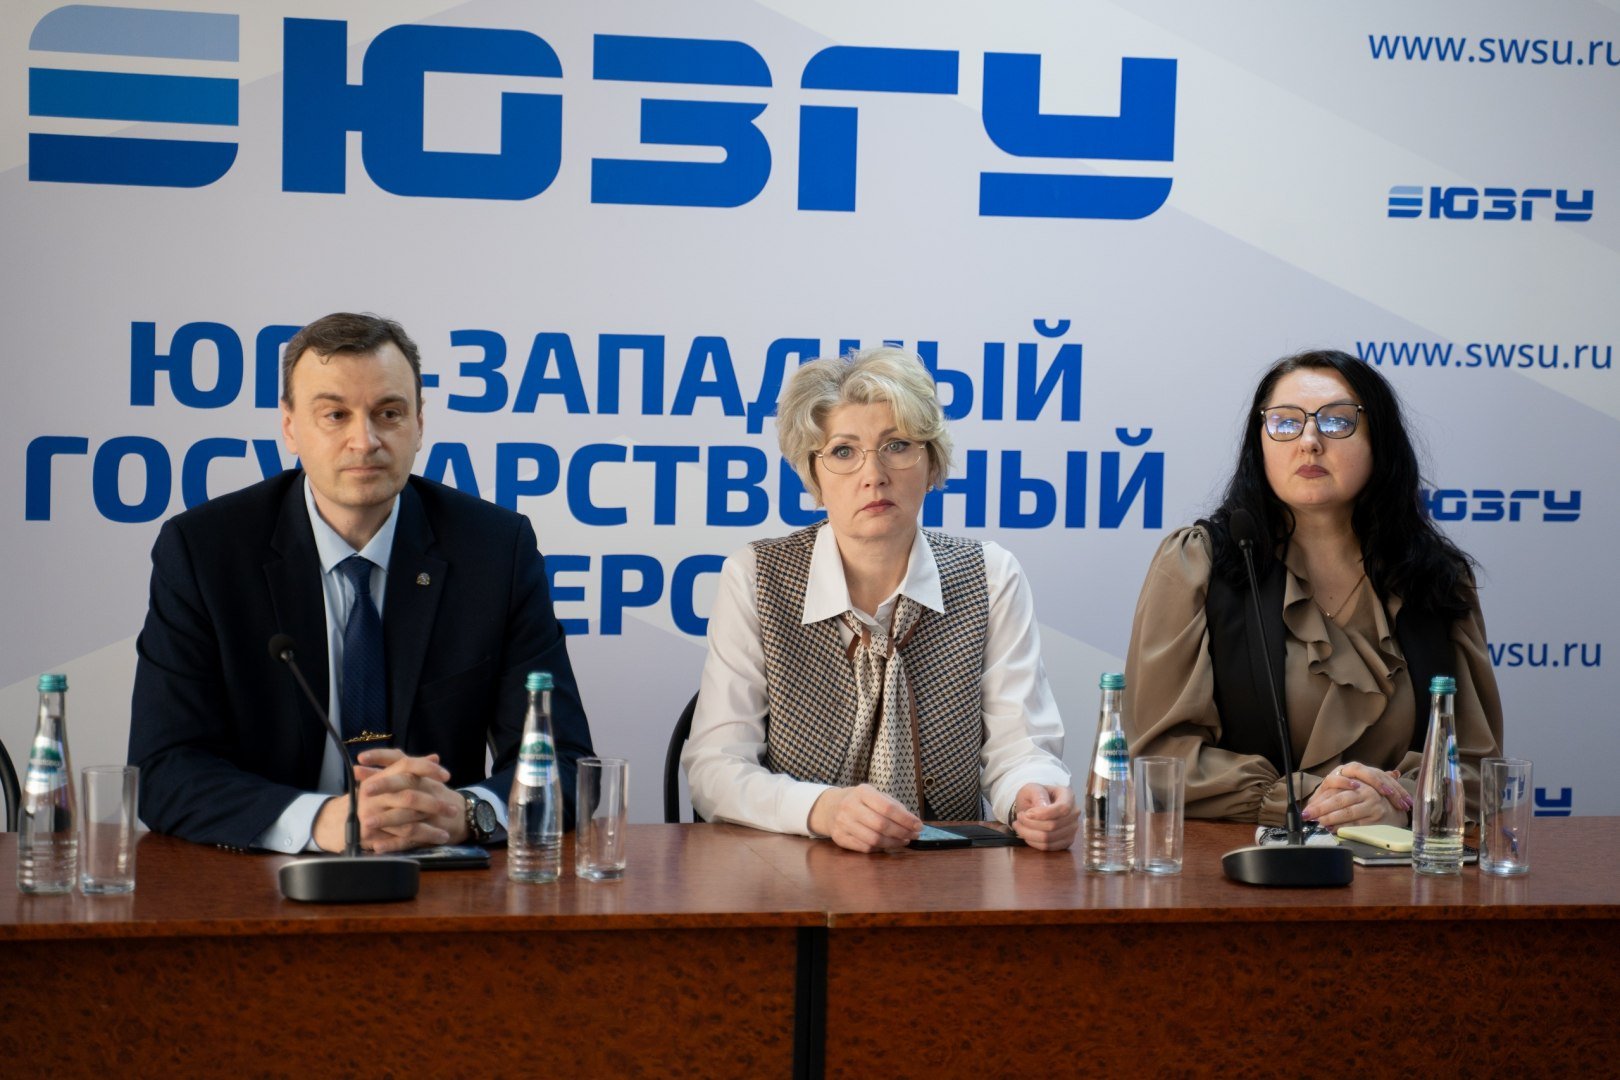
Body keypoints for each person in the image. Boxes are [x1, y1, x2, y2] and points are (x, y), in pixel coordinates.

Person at [128, 312, 592, 853]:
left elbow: (564, 762)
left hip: (438, 875)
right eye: (335, 415)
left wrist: (465, 813)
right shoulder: (205, 552)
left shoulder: (494, 551)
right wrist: (323, 820)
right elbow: (165, 769)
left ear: (419, 424)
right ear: (290, 427)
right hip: (264, 877)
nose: (364, 440)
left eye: (388, 413)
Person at [682, 347, 1077, 853]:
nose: (874, 474)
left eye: (897, 446)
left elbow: (1020, 746)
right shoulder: (756, 576)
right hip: (795, 868)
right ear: (814, 476)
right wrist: (822, 809)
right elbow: (715, 767)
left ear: (932, 464)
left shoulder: (991, 575)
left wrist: (1032, 795)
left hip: (951, 872)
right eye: (843, 452)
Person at [1123, 349, 1503, 828]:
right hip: (1242, 861)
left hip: (1398, 866)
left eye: (1337, 421)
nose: (1309, 442)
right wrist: (1308, 799)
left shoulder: (1435, 578)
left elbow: (1477, 769)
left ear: (1380, 441)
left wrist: (1400, 803)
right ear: (1259, 443)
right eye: (1285, 423)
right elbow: (1160, 759)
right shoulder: (1199, 562)